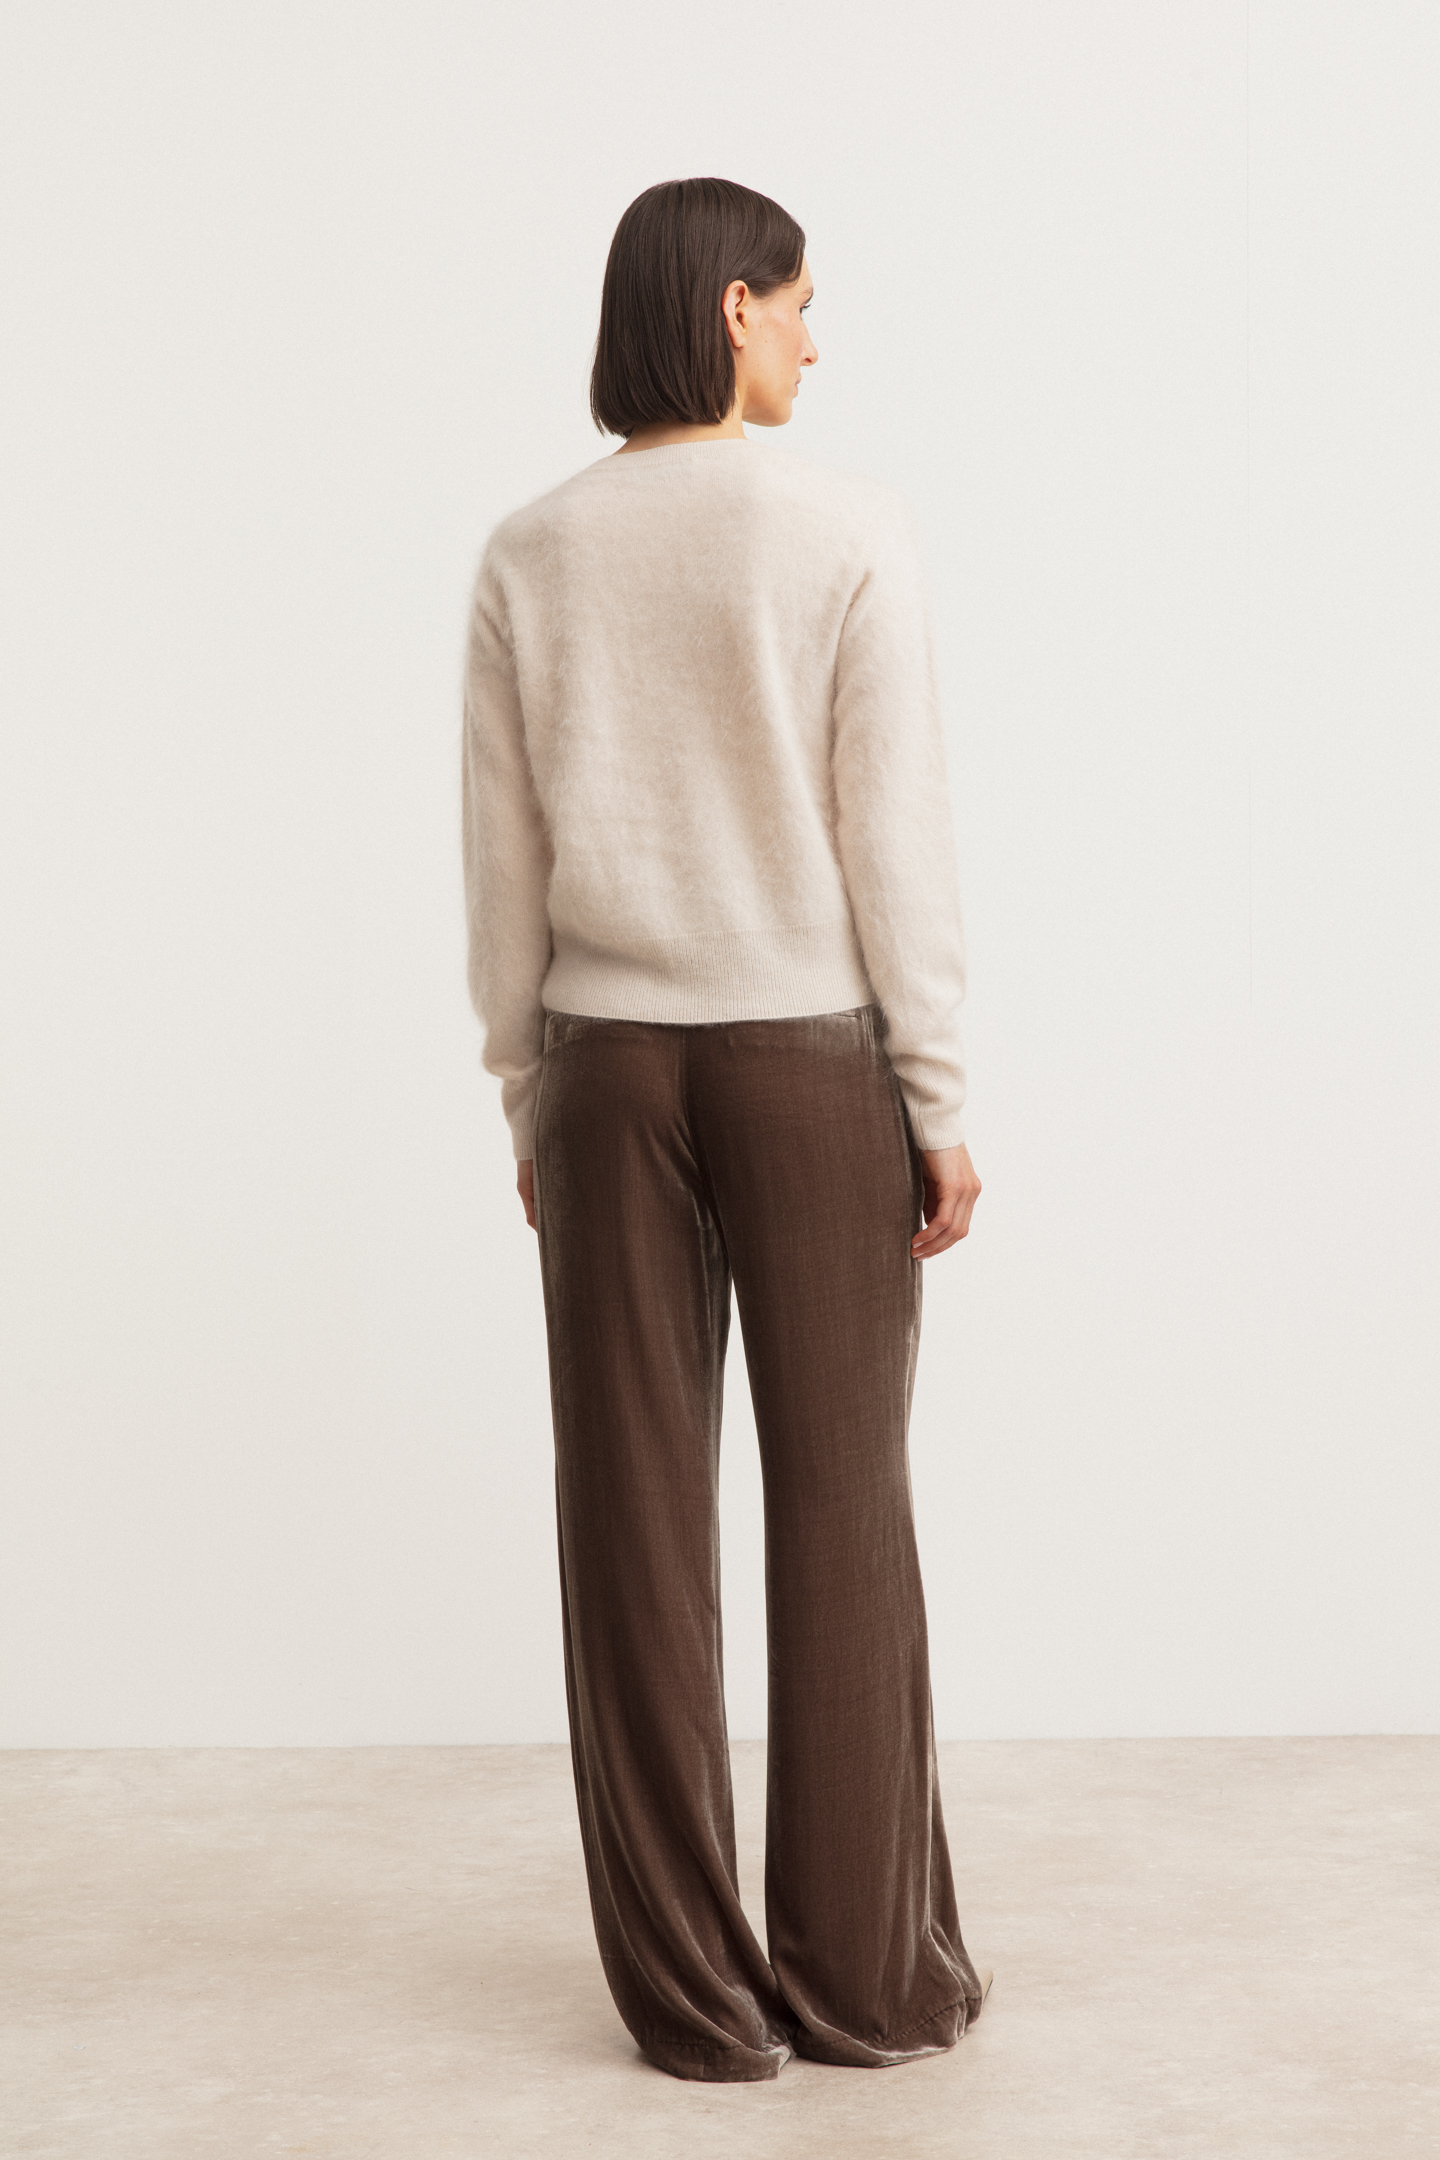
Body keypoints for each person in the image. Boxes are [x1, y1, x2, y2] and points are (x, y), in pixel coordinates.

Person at [461, 175, 990, 2084]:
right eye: (803, 304)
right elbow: (891, 835)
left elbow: (503, 855)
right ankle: (861, 1983)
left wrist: (525, 1084)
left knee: (629, 1524)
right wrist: (936, 1094)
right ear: (734, 308)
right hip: (810, 1068)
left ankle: (693, 2003)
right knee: (845, 1517)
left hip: (605, 1066)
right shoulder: (845, 531)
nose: (817, 343)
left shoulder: (531, 550)